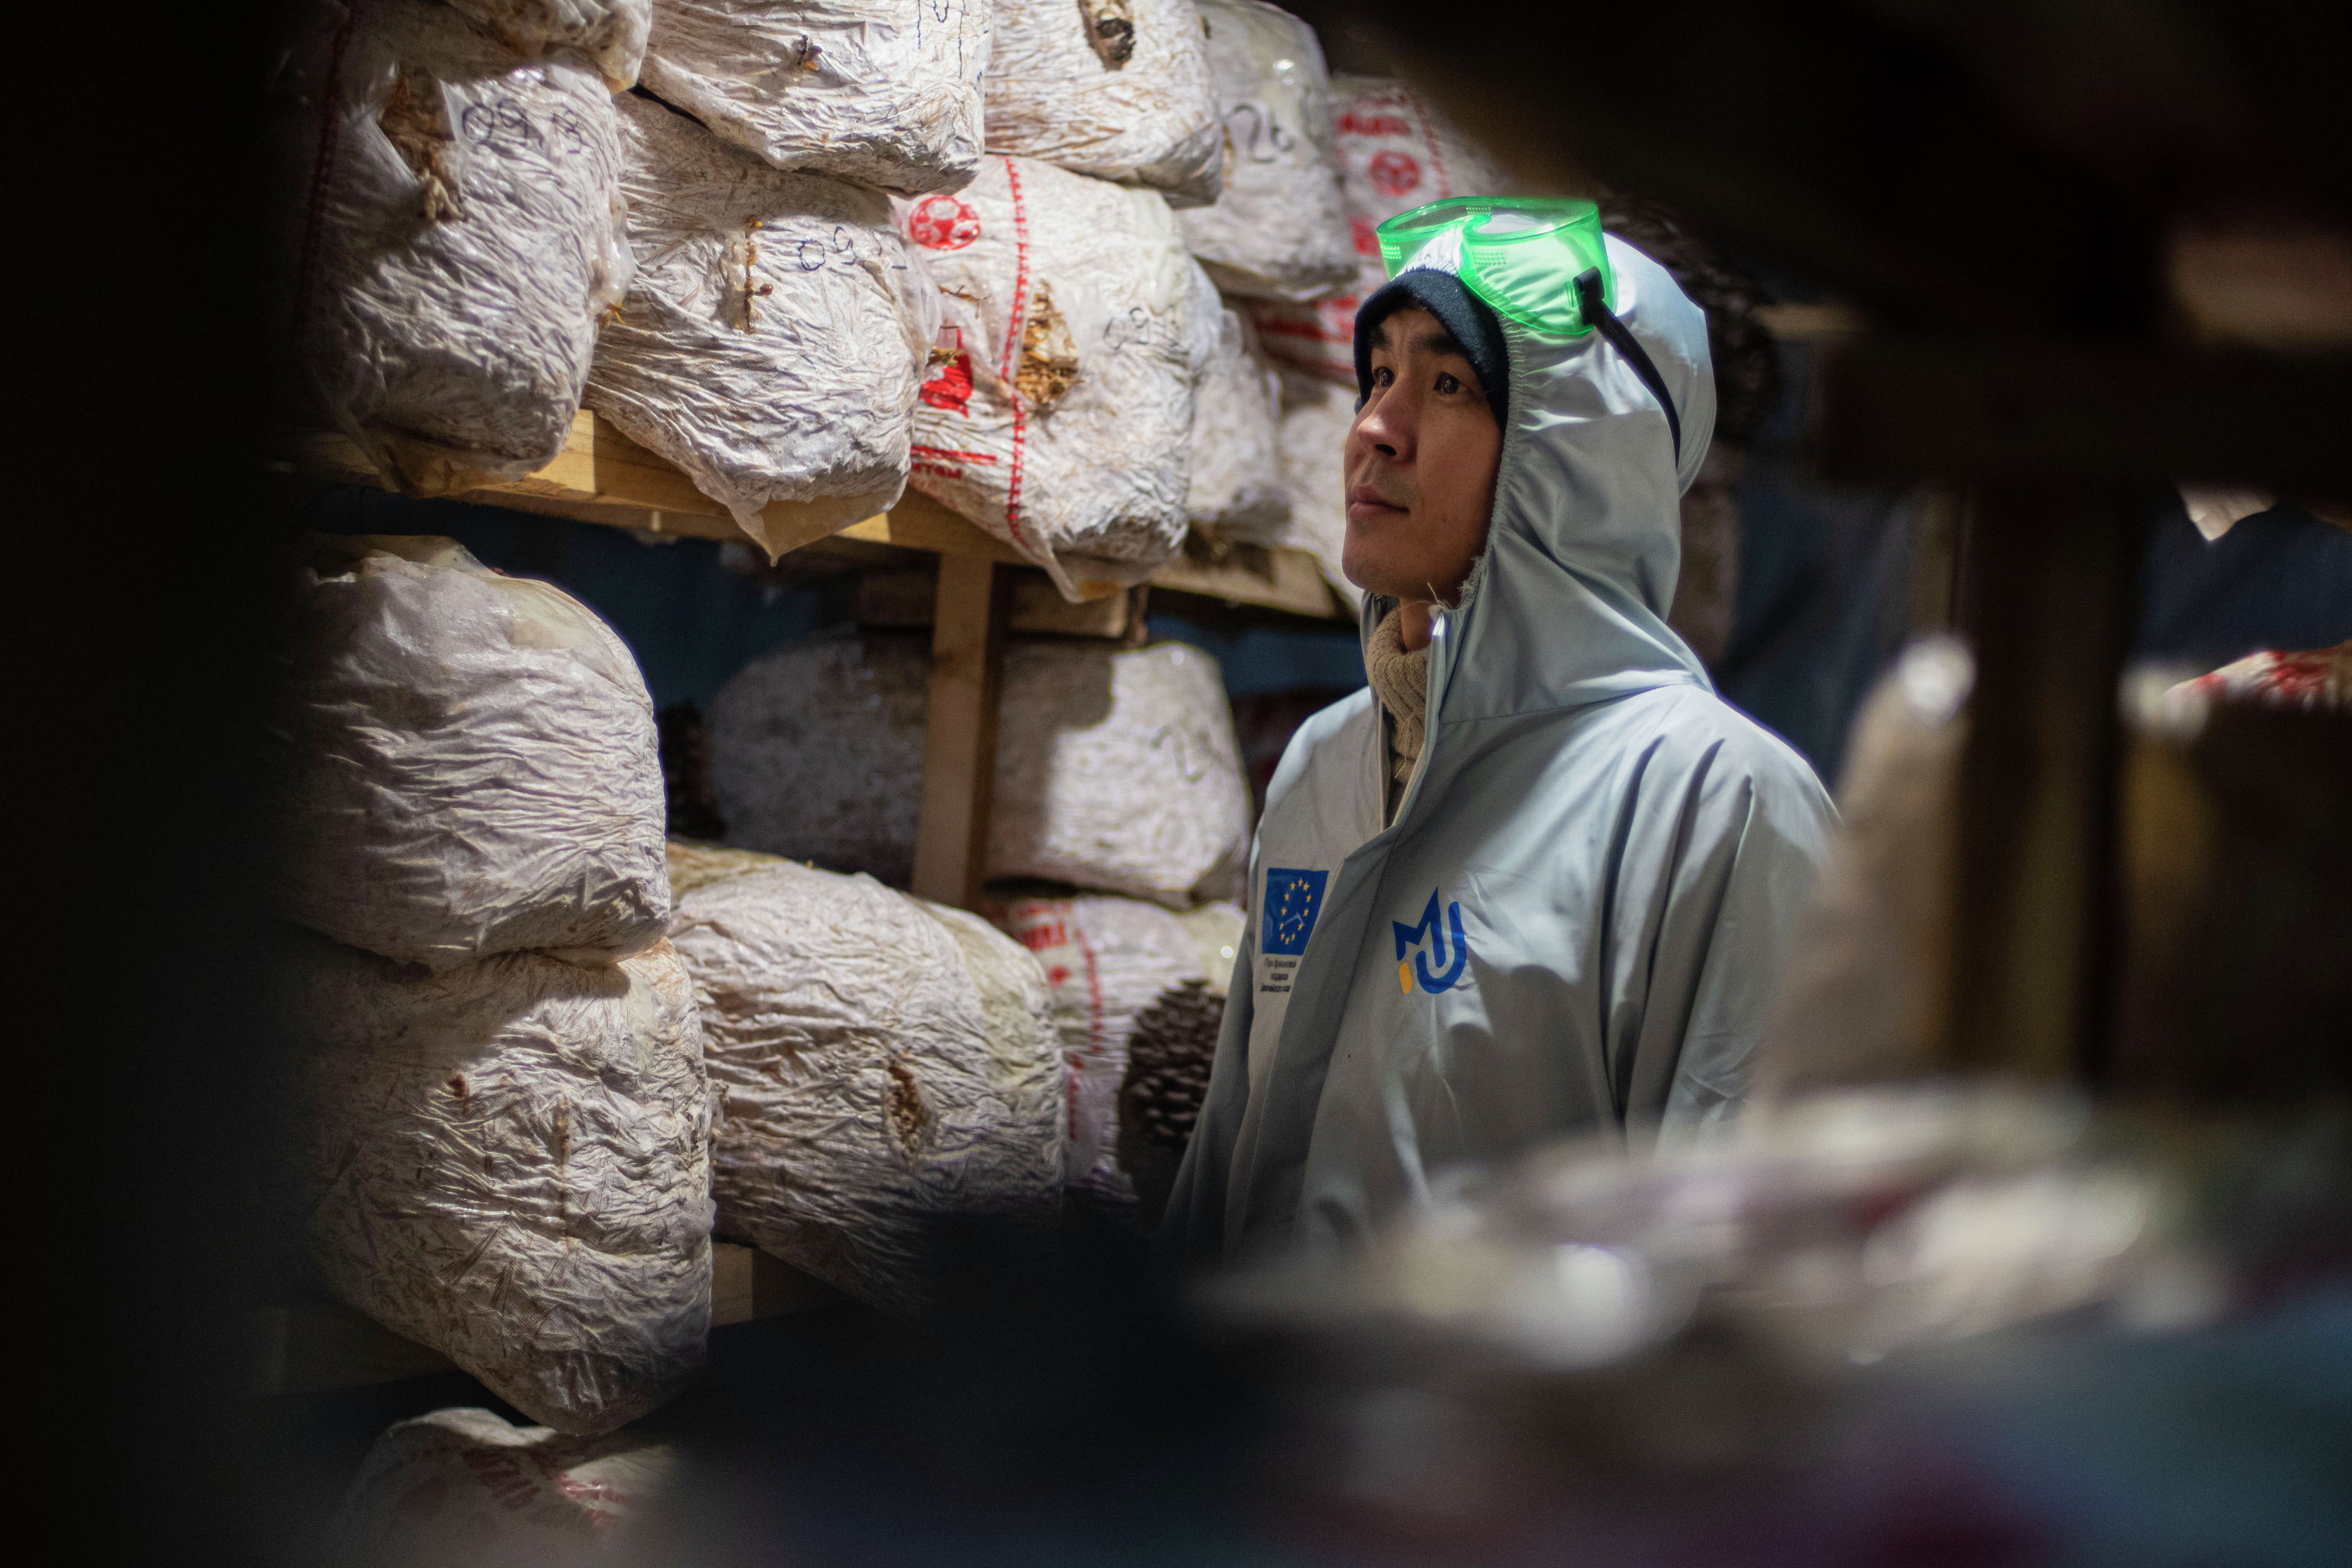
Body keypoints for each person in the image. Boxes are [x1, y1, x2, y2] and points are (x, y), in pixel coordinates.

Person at [1161, 199, 1836, 1266]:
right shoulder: (1327, 765)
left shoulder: (1715, 799)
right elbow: (1225, 1174)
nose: (1375, 427)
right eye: (1379, 372)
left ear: (1573, 460)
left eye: (1448, 385)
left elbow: (1733, 1258)